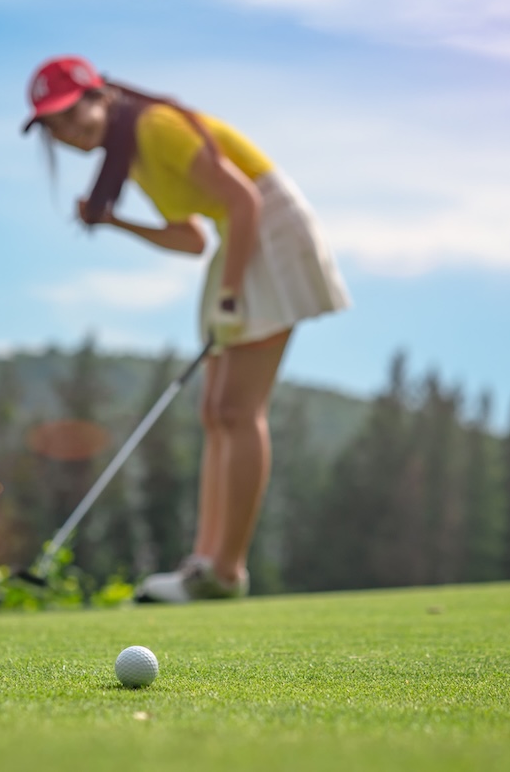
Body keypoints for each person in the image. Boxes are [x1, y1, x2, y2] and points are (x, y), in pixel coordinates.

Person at [21, 55, 352, 602]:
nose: (66, 130)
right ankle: (204, 565)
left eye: (71, 111)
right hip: (237, 238)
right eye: (53, 124)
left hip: (270, 231)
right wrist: (116, 221)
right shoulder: (130, 152)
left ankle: (225, 571)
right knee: (215, 411)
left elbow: (244, 199)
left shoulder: (156, 127)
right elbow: (191, 239)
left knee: (237, 410)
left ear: (99, 95)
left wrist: (228, 295)